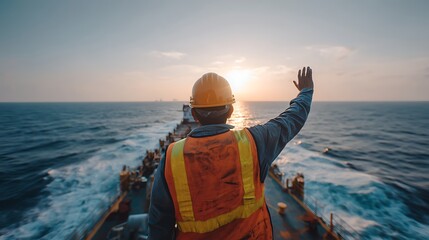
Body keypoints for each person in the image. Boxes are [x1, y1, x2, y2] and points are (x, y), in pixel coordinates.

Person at [148, 67, 314, 239]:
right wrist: (305, 92)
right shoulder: (254, 142)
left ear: (194, 113)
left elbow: (159, 226)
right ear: (231, 111)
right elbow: (291, 119)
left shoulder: (171, 158)